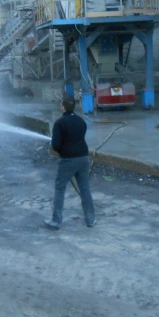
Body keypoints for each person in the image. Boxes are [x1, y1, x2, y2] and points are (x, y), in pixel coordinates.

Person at [44, 95, 96, 230]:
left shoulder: (60, 123)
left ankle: (56, 221)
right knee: (84, 188)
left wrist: (61, 149)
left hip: (68, 160)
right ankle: (90, 220)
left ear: (63, 107)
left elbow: (55, 145)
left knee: (60, 187)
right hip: (84, 158)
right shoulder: (81, 121)